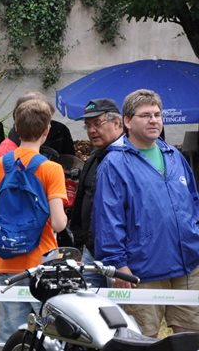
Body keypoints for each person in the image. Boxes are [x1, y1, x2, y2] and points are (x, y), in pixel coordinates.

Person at [94, 89, 199, 337]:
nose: (154, 120)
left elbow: (193, 202)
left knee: (191, 338)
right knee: (142, 339)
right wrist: (118, 265)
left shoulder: (174, 156)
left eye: (157, 114)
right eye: (145, 115)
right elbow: (108, 220)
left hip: (188, 266)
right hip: (142, 271)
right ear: (127, 121)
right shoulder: (114, 163)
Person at [0, 98, 68, 342]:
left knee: (11, 338)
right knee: (49, 338)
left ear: (15, 127)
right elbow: (59, 224)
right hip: (42, 264)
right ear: (47, 130)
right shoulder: (52, 169)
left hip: (7, 263)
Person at [68, 98, 124, 287]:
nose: (92, 130)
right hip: (91, 252)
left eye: (97, 123)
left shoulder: (130, 158)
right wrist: (79, 245)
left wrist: (121, 260)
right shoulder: (94, 158)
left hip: (120, 256)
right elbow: (80, 204)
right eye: (88, 125)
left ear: (117, 123)